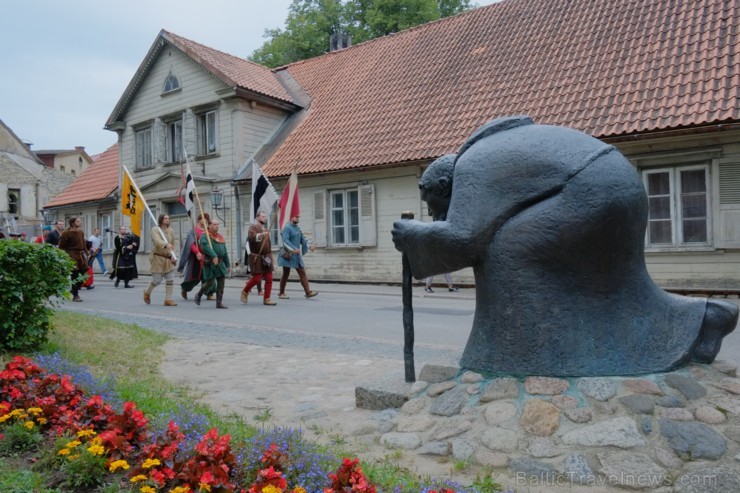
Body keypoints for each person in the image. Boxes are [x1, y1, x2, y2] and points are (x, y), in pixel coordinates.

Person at [277, 214, 318, 299]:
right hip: (287, 254)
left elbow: (303, 239)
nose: (297, 218)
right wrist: (293, 249)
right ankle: (281, 293)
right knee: (286, 273)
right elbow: (285, 241)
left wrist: (310, 246)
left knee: (302, 272)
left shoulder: (297, 228)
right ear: (291, 217)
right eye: (295, 216)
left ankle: (308, 292)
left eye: (298, 216)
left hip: (296, 254)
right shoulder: (287, 228)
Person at [241, 210, 277, 305]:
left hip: (266, 257)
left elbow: (268, 245)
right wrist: (261, 235)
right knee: (257, 279)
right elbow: (251, 238)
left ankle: (267, 298)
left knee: (269, 277)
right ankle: (245, 291)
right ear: (257, 218)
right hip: (256, 257)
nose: (265, 218)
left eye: (265, 217)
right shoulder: (253, 227)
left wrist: (271, 257)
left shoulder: (266, 229)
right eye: (262, 216)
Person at [177, 213, 216, 301]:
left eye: (206, 219)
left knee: (209, 276)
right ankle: (185, 289)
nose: (205, 220)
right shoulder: (193, 231)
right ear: (199, 220)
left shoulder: (208, 230)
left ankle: (210, 293)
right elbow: (191, 244)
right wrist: (197, 252)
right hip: (196, 258)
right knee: (193, 278)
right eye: (203, 218)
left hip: (207, 257)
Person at [144, 214, 177, 306]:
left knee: (170, 278)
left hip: (168, 258)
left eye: (168, 218)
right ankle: (147, 292)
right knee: (157, 280)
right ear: (161, 219)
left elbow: (173, 244)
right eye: (165, 218)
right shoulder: (155, 230)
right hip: (158, 257)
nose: (167, 220)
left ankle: (168, 299)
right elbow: (157, 241)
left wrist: (173, 256)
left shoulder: (171, 231)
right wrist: (166, 244)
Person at [196, 219, 230, 308]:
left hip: (220, 263)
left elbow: (224, 251)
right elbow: (205, 247)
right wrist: (214, 255)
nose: (217, 226)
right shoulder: (205, 236)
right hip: (211, 262)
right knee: (210, 282)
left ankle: (219, 303)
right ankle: (199, 294)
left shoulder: (220, 237)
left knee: (221, 283)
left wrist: (228, 264)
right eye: (215, 224)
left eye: (218, 224)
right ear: (209, 225)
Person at [58, 216, 87, 302]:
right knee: (75, 275)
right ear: (72, 223)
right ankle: (76, 295)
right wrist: (65, 256)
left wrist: (87, 253)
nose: (80, 222)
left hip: (81, 255)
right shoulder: (66, 233)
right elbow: (61, 246)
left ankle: (74, 289)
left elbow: (84, 244)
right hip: (71, 255)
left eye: (79, 221)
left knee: (84, 274)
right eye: (78, 221)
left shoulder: (81, 232)